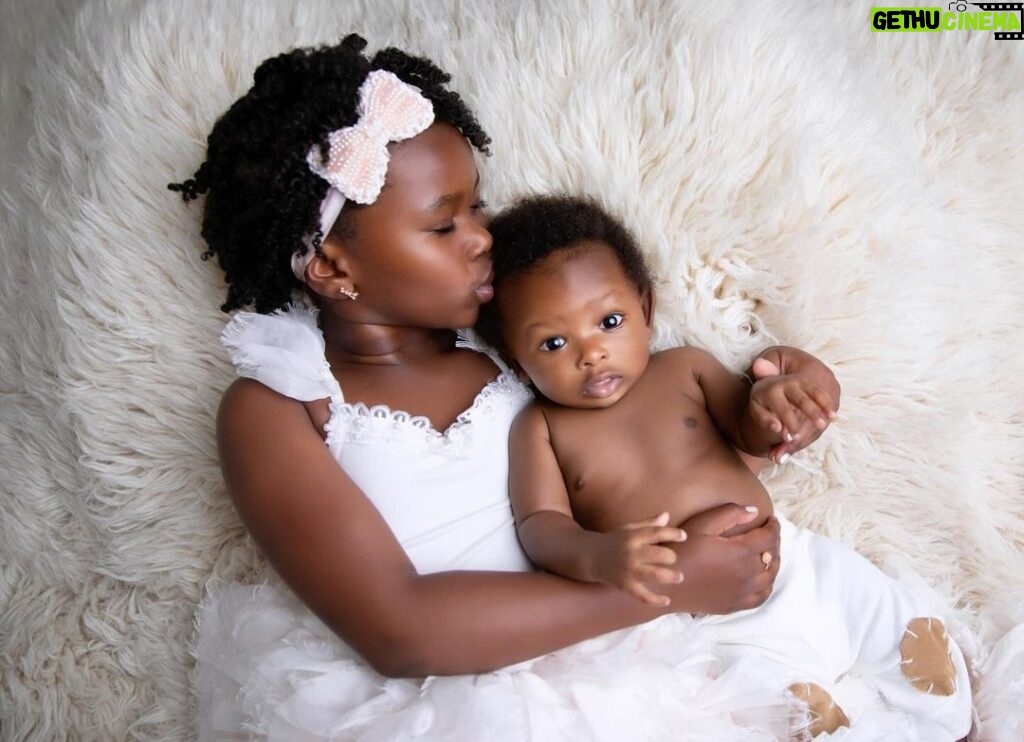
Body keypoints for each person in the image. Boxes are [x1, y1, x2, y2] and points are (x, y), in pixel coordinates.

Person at [171, 35, 848, 740]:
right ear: (333, 267)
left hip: (630, 659)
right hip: (439, 701)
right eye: (443, 223)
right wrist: (666, 584)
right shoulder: (277, 408)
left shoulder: (518, 339)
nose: (482, 239)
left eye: (478, 208)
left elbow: (665, 398)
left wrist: (779, 378)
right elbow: (398, 630)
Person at [474, 194, 974, 740]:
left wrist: (775, 405)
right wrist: (600, 554)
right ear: (517, 361)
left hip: (792, 561)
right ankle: (818, 717)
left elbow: (750, 431)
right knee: (756, 694)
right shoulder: (540, 428)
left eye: (609, 321)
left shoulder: (685, 369)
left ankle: (942, 709)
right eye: (553, 342)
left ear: (645, 308)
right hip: (699, 616)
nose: (590, 354)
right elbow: (541, 526)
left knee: (878, 608)